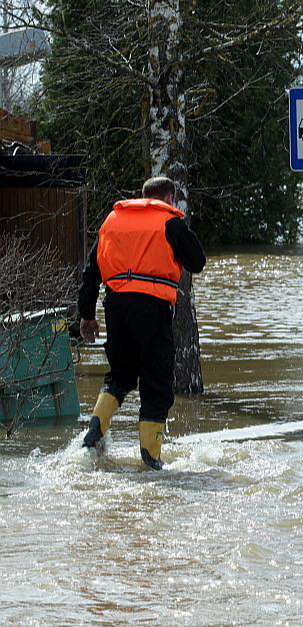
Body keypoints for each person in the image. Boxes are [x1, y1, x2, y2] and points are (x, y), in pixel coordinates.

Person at [78, 176, 206, 470]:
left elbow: (90, 273)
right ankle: (151, 459)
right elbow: (197, 262)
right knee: (157, 385)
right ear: (169, 199)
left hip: (116, 308)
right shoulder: (169, 223)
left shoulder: (112, 221)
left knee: (120, 376)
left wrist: (86, 315)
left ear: (143, 195)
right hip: (153, 310)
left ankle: (95, 429)